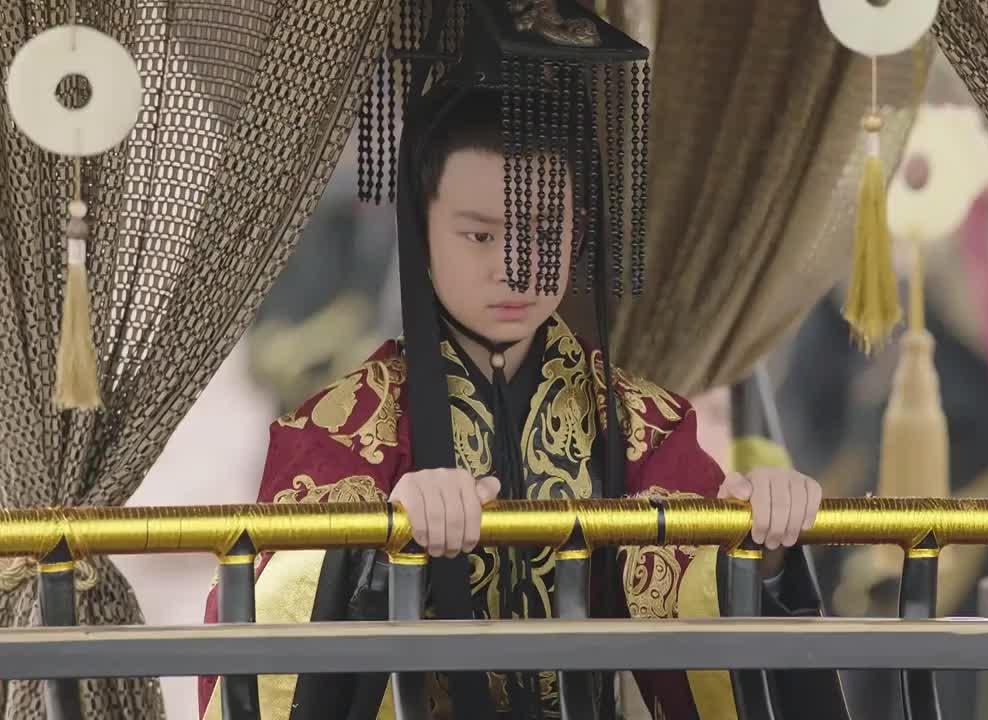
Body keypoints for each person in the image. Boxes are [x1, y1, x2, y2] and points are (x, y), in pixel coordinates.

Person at [198, 2, 846, 719]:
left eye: (542, 233)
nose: (514, 269)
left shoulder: (640, 423)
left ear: (579, 232)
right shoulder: (343, 430)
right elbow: (266, 622)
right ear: (420, 229)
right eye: (480, 236)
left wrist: (763, 540)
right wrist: (381, 542)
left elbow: (698, 596)